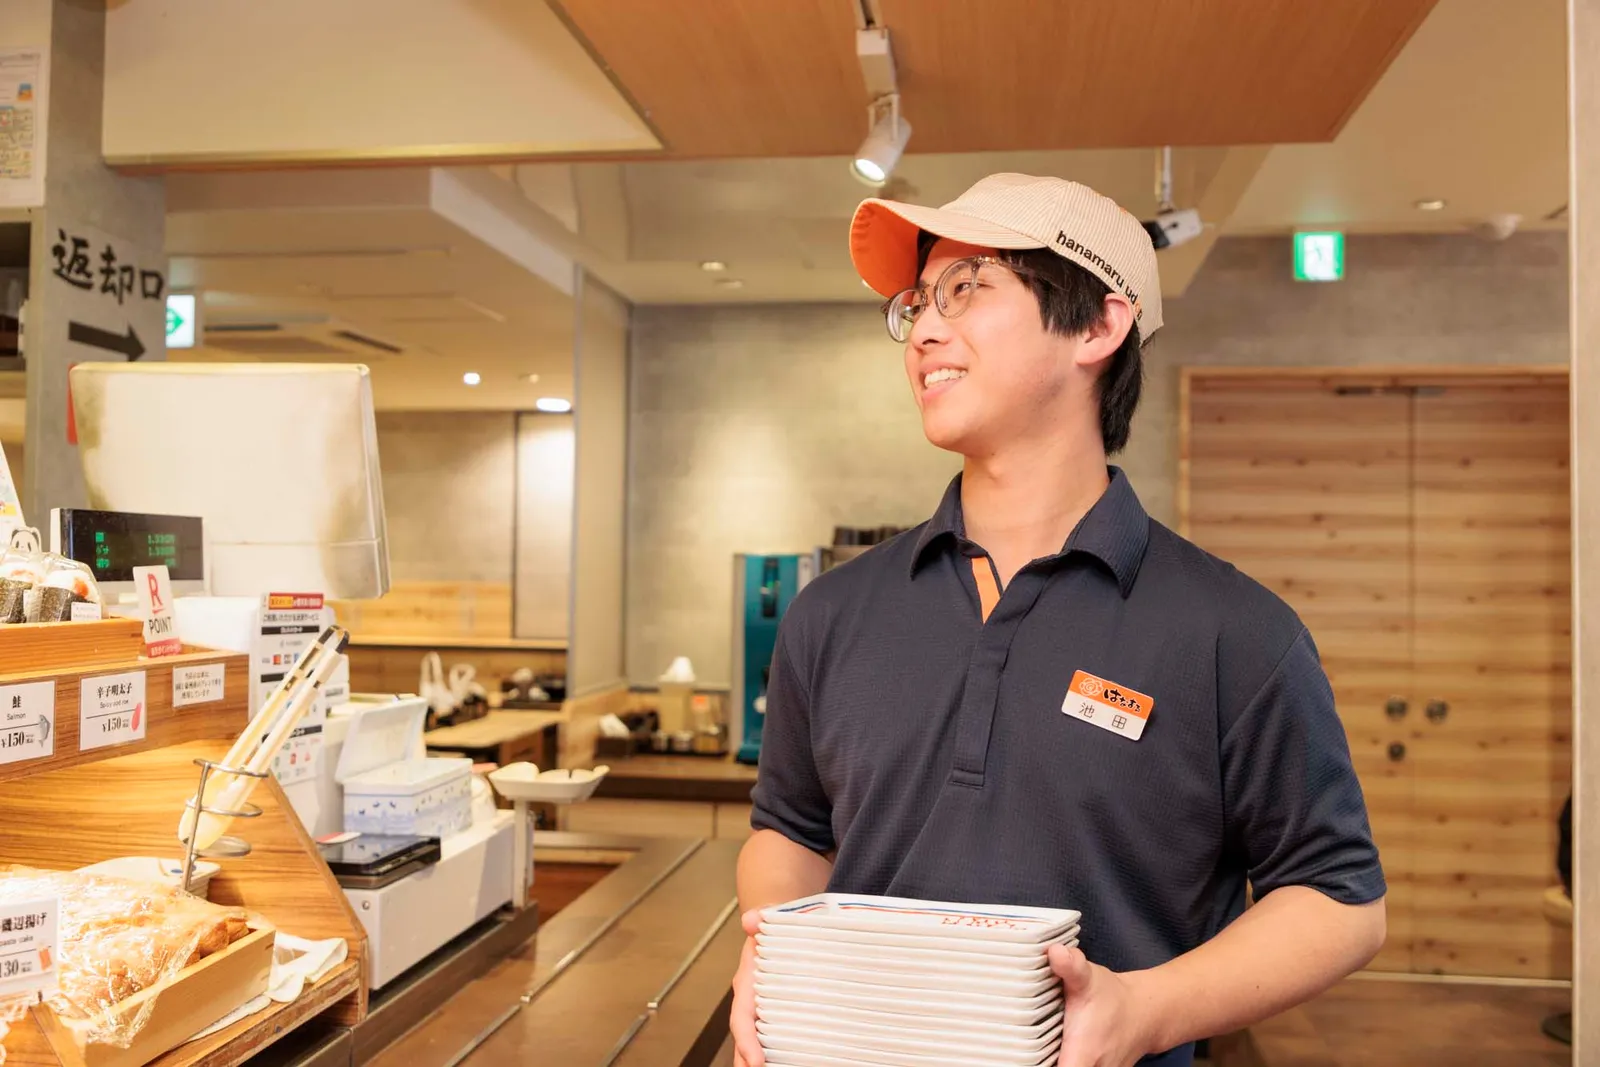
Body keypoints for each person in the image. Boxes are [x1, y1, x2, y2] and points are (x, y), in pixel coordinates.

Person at [728, 173, 1388, 1067]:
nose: (923, 329)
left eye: (966, 288)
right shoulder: (832, 613)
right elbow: (793, 831)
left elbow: (1338, 898)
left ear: (1097, 325)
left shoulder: (1238, 633)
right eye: (917, 302)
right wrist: (772, 959)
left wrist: (1146, 1010)